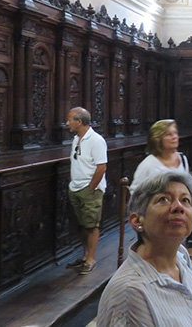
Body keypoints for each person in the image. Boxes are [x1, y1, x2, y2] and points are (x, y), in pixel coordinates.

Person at [97, 171, 192, 326]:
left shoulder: (181, 258)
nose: (178, 207)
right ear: (137, 220)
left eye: (185, 200)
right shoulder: (130, 293)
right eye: (163, 199)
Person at [65, 107, 108, 275]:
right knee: (81, 224)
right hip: (75, 188)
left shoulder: (96, 140)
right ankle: (84, 256)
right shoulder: (76, 139)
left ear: (79, 122)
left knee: (91, 225)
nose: (67, 123)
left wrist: (91, 188)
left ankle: (91, 259)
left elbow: (101, 167)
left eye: (70, 120)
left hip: (89, 190)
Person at [131, 119, 189, 191]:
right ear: (158, 139)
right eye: (169, 134)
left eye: (175, 133)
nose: (174, 137)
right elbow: (135, 192)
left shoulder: (182, 159)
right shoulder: (148, 165)